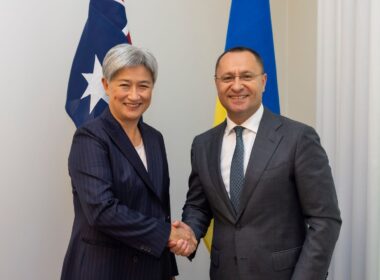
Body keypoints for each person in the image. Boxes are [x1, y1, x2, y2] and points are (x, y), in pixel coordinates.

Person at [170, 46, 342, 280]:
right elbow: (199, 205)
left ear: (263, 81)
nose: (237, 85)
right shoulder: (203, 144)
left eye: (247, 76)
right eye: (228, 78)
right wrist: (190, 231)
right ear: (217, 84)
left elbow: (325, 219)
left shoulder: (298, 138)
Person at [61, 44, 195, 280]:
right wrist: (167, 235)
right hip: (102, 270)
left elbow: (158, 209)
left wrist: (168, 270)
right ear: (106, 85)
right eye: (125, 85)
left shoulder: (154, 138)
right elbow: (102, 210)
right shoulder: (90, 138)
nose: (134, 95)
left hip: (150, 269)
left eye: (143, 86)